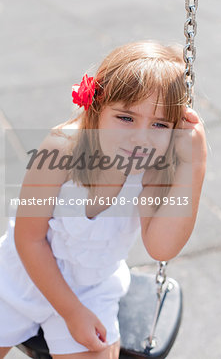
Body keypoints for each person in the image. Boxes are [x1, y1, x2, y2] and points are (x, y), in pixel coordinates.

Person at [0, 41, 207, 359]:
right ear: (97, 107)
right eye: (126, 118)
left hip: (92, 287)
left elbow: (161, 248)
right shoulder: (60, 150)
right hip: (23, 274)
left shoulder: (152, 169)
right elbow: (28, 239)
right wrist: (70, 312)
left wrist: (194, 167)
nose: (141, 137)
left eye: (160, 125)